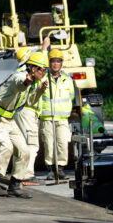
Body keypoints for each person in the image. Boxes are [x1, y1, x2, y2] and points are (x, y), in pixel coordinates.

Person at [0, 52, 48, 198]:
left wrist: (39, 90)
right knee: (6, 147)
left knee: (24, 151)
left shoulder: (34, 82)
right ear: (32, 69)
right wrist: (27, 83)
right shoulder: (20, 77)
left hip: (9, 119)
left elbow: (31, 102)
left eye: (45, 70)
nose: (43, 73)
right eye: (41, 69)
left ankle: (15, 185)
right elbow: (20, 85)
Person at [13, 38, 50, 186]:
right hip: (27, 112)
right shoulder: (27, 74)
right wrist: (44, 48)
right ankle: (27, 175)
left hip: (21, 112)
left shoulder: (20, 72)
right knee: (31, 145)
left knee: (22, 145)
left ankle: (19, 173)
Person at [40, 49, 74, 180]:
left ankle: (60, 169)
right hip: (47, 117)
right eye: (53, 61)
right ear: (49, 63)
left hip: (62, 118)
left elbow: (71, 96)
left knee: (62, 143)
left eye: (58, 62)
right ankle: (50, 169)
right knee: (49, 144)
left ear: (61, 64)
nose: (55, 64)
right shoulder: (43, 78)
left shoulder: (67, 79)